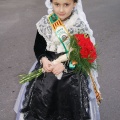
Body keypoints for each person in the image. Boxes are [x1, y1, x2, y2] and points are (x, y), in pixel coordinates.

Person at [14, 0, 101, 119]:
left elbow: (82, 53)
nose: (61, 10)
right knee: (43, 103)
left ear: (74, 4)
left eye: (66, 4)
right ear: (51, 3)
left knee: (69, 107)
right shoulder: (46, 22)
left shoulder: (78, 25)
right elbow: (38, 47)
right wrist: (43, 59)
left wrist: (65, 65)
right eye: (57, 4)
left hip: (71, 75)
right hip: (47, 70)